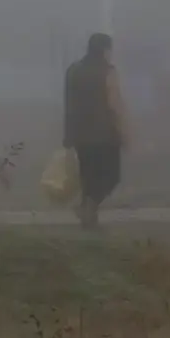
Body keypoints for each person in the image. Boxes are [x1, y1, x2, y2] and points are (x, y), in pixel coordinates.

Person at [63, 33, 130, 228]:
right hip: (105, 136)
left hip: (79, 135)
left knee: (88, 178)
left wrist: (68, 136)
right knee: (111, 177)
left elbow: (69, 103)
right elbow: (115, 104)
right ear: (104, 50)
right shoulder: (108, 72)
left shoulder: (73, 71)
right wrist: (125, 131)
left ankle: (88, 221)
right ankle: (88, 208)